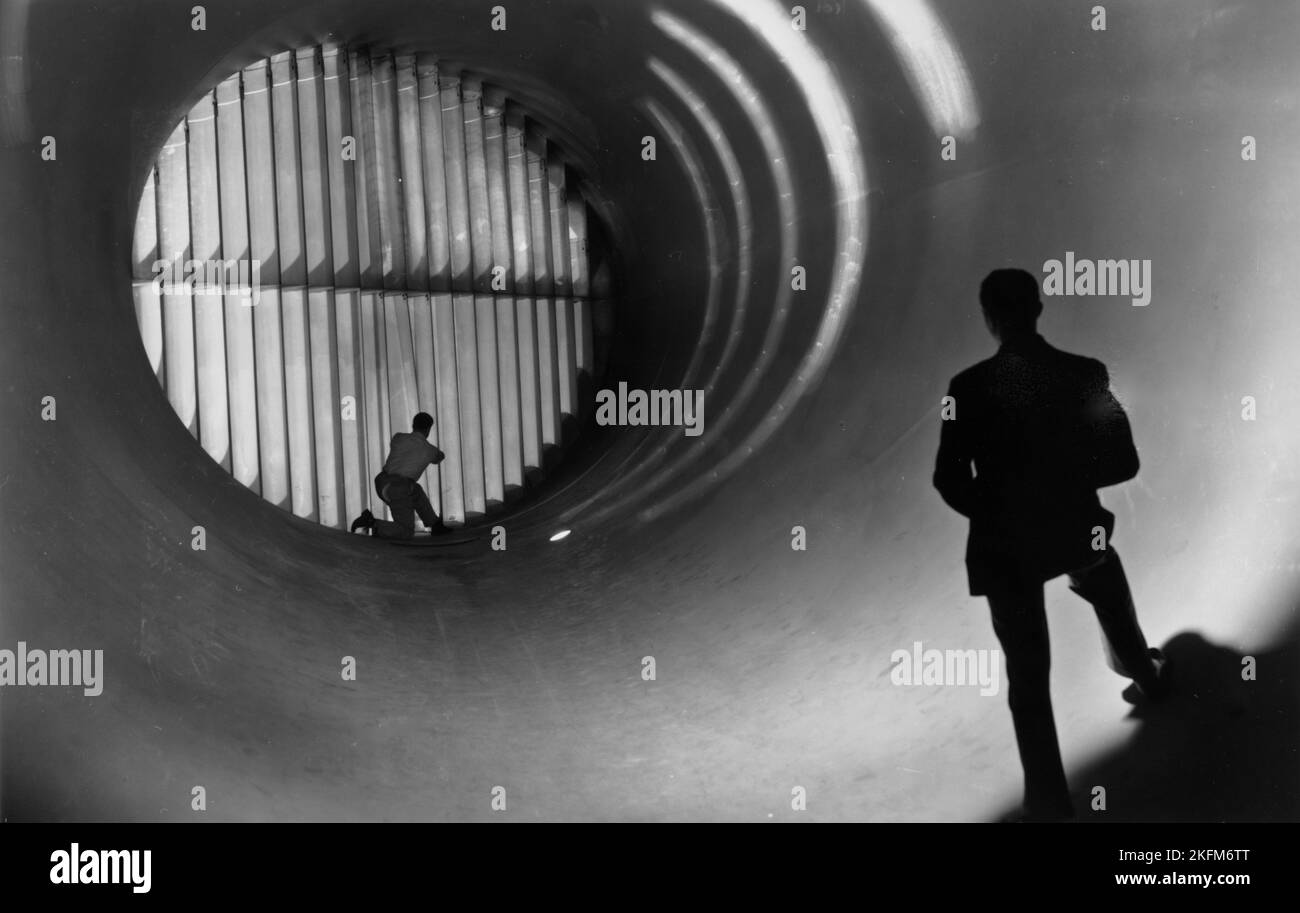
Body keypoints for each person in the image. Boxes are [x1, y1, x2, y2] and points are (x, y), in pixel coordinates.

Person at [933, 268, 1170, 822]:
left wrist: (1000, 513)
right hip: (1074, 527)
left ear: (989, 318)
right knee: (1106, 585)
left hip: (1006, 546)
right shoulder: (1084, 374)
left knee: (1026, 677)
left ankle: (1048, 803)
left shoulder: (963, 389)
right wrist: (1062, 486)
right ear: (1039, 309)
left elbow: (947, 478)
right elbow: (1124, 461)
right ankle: (1145, 673)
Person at [350, 412, 447, 539]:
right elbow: (440, 457)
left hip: (382, 482)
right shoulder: (430, 450)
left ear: (413, 425)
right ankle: (371, 523)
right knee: (406, 532)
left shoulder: (398, 438)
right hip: (398, 488)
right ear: (429, 429)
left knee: (415, 490)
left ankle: (435, 525)